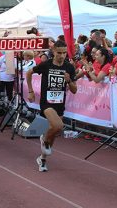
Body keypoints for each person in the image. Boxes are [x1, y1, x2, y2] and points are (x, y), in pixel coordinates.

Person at [26, 40, 77, 172]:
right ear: (53, 52)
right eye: (59, 53)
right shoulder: (46, 65)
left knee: (54, 133)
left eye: (64, 53)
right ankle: (44, 138)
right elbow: (28, 73)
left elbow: (74, 90)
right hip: (46, 103)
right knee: (58, 126)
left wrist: (69, 80)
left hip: (60, 103)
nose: (62, 55)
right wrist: (31, 92)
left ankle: (42, 160)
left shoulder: (69, 67)